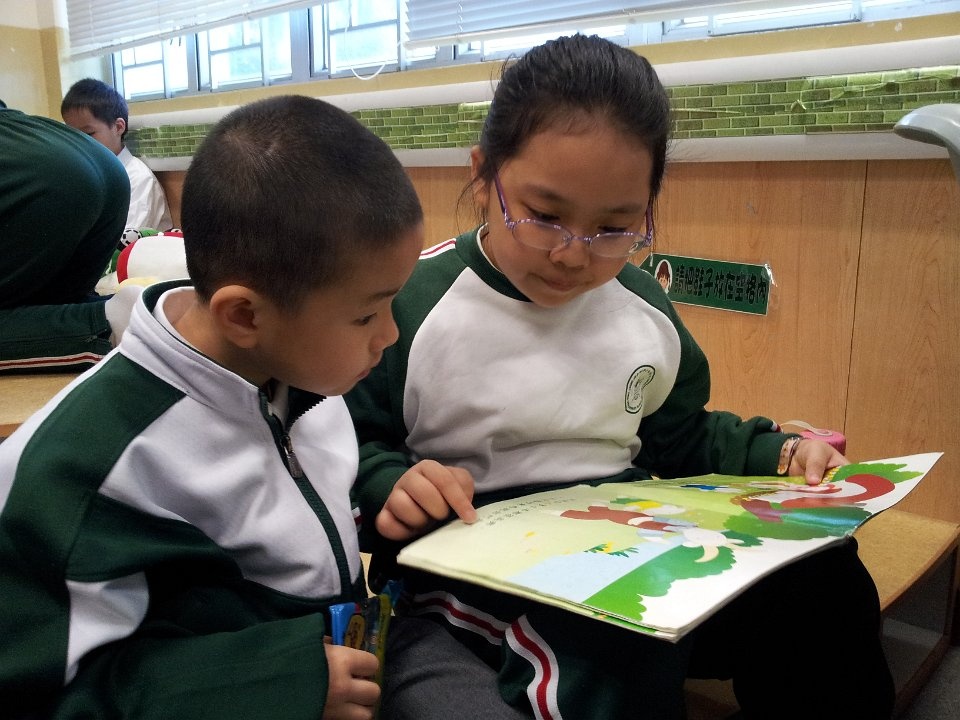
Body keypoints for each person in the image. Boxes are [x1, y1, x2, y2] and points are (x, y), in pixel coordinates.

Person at [345, 34, 895, 720]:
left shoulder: (642, 307)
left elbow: (680, 437)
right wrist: (389, 483)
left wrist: (777, 450)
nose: (574, 255)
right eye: (544, 216)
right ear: (484, 175)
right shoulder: (407, 304)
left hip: (626, 540)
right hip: (466, 569)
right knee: (602, 650)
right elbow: (338, 447)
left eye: (614, 227)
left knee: (824, 576)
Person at [0, 94, 424, 719]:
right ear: (244, 314)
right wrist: (269, 683)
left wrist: (387, 487)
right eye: (367, 315)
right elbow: (43, 697)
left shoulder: (296, 373)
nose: (389, 335)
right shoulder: (82, 474)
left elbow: (302, 491)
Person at [0, 102, 133, 373]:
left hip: (45, 178)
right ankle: (133, 311)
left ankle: (109, 323)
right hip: (98, 164)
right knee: (50, 304)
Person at [62, 78, 173, 232]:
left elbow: (125, 240)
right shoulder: (83, 177)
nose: (80, 143)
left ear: (118, 127)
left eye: (89, 134)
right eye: (72, 136)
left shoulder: (138, 179)